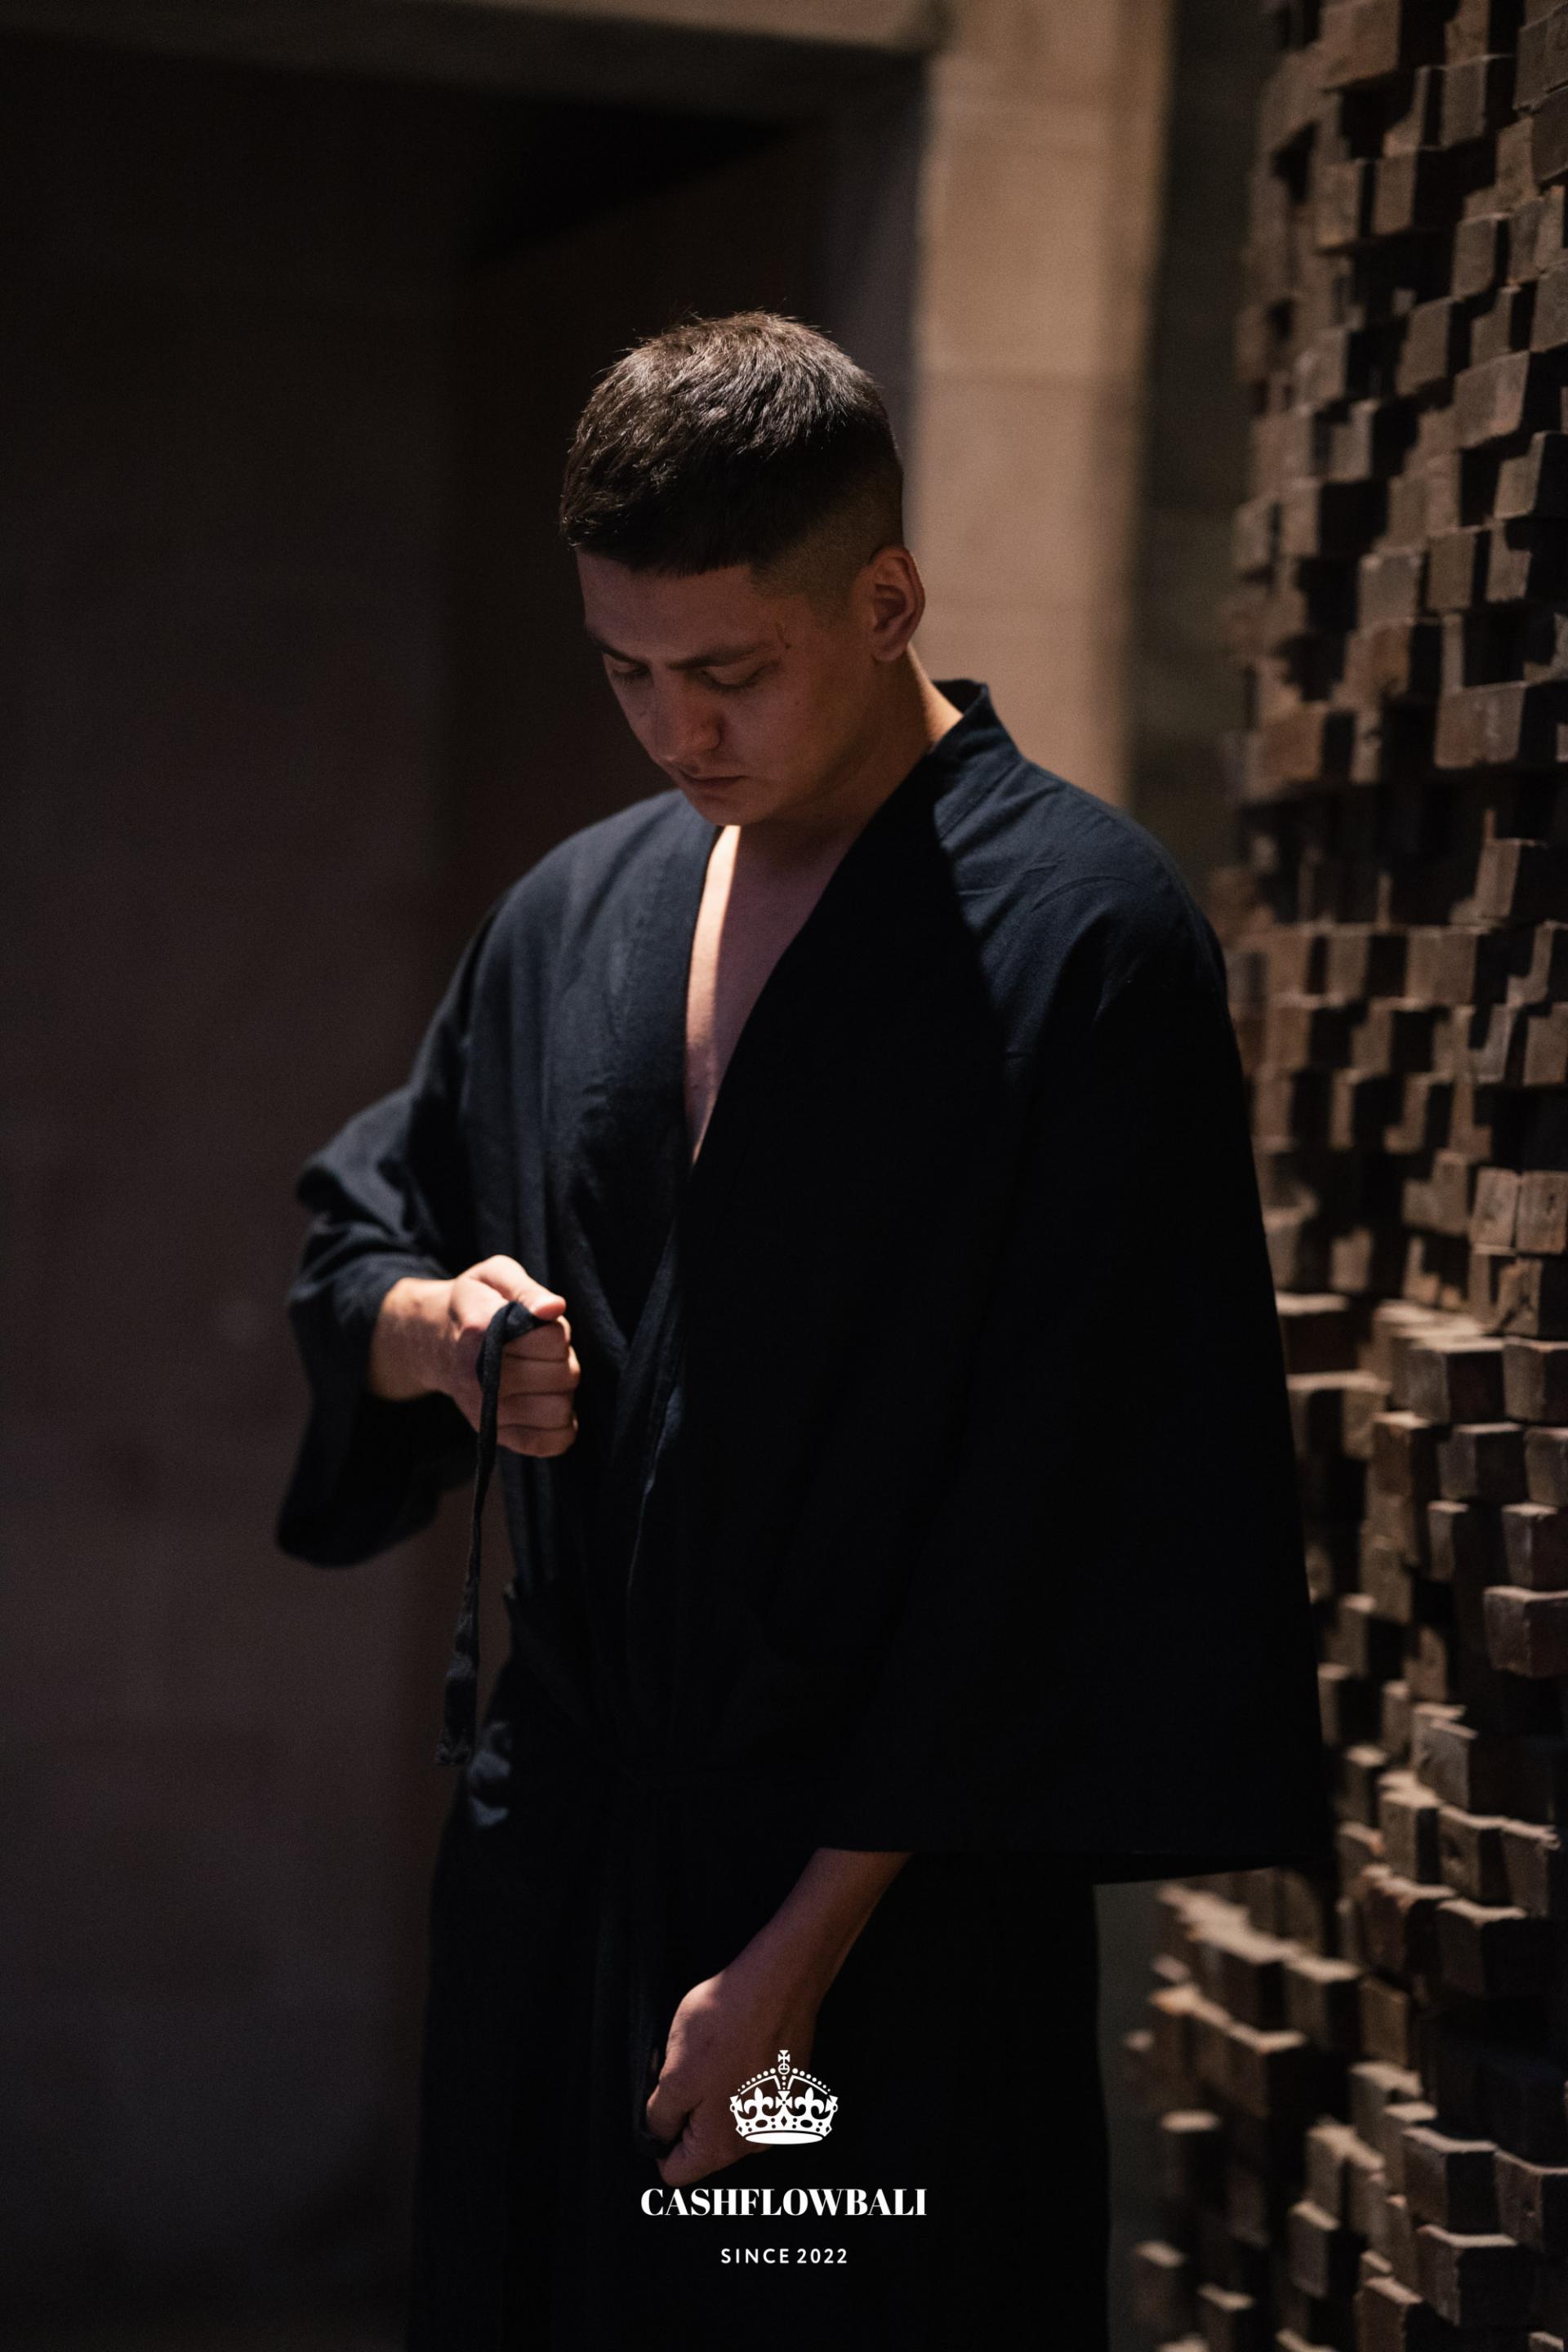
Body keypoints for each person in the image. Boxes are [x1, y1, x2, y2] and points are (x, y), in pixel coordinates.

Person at [276, 310, 1333, 2350]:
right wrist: (446, 1330)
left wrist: (802, 1952)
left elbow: (1068, 1503)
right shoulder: (576, 911)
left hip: (886, 1918)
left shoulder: (1082, 942)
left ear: (888, 599)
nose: (676, 731)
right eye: (627, 671)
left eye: (732, 672)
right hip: (557, 1868)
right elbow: (360, 1251)